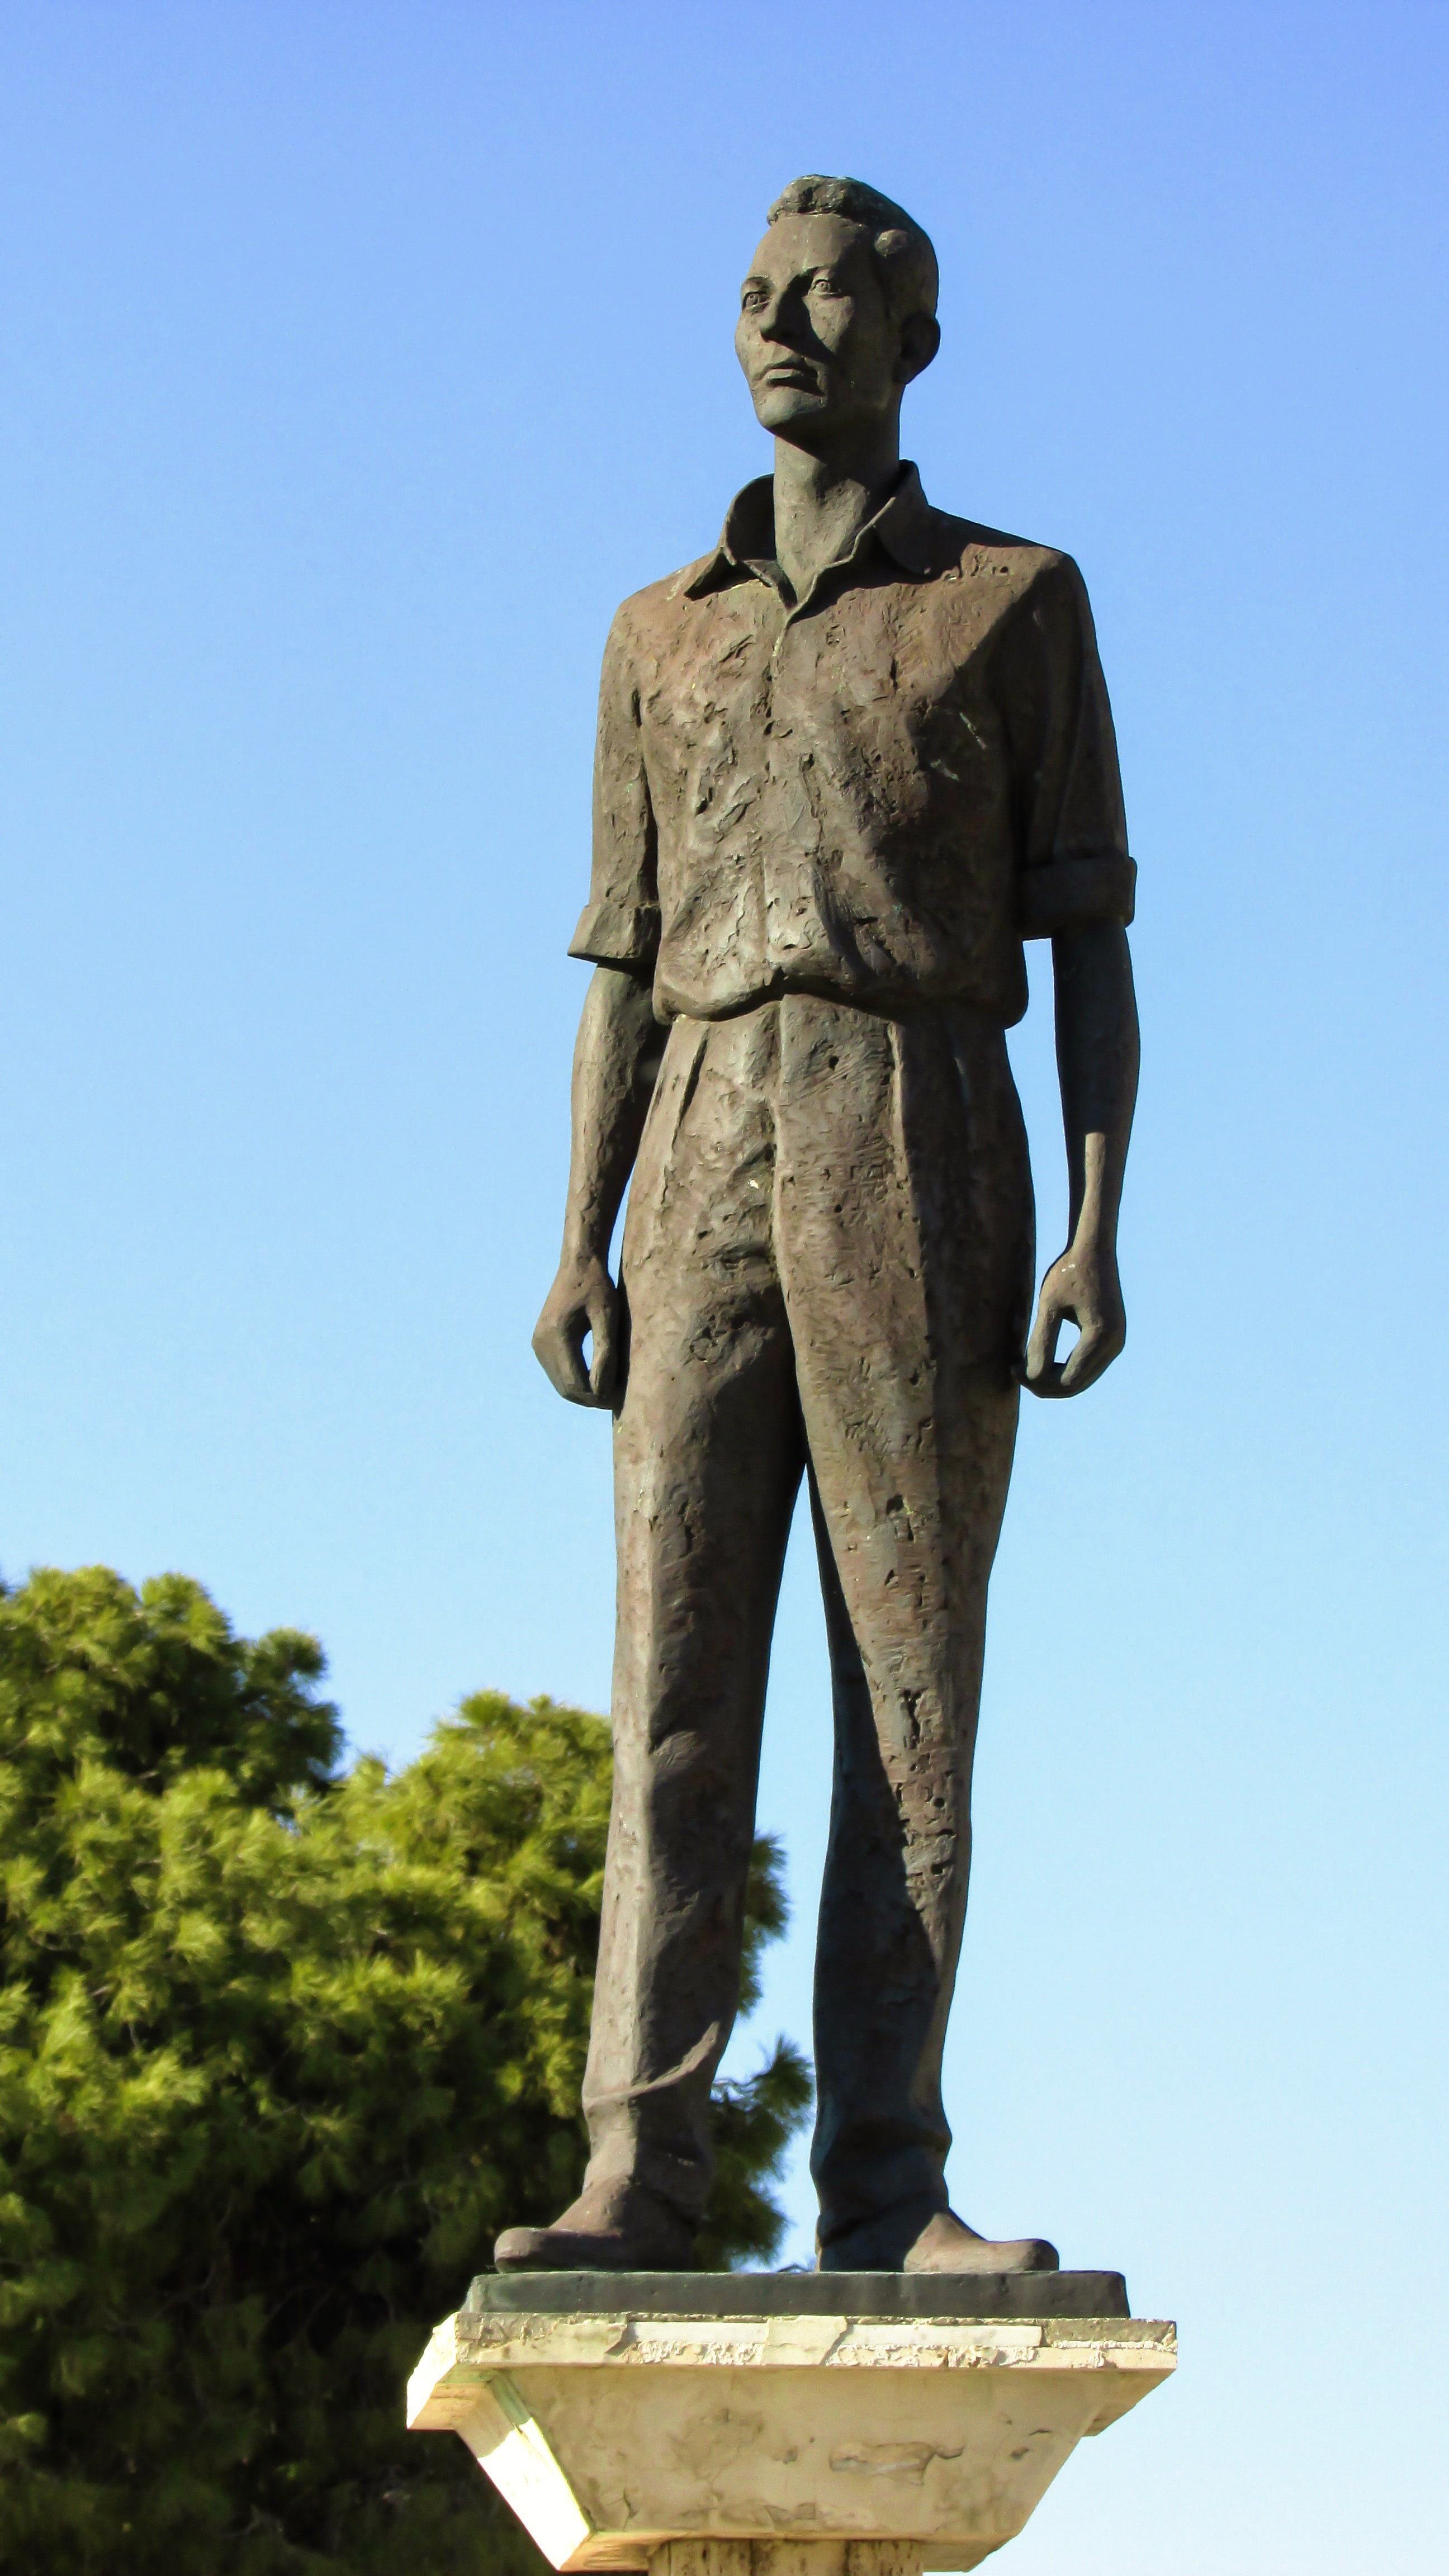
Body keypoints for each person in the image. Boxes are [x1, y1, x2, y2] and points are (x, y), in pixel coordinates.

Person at [495, 175, 1140, 2276]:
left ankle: (892, 2187)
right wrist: (578, 1234)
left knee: (906, 1688)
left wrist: (1098, 1226)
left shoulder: (1015, 601)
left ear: (912, 344)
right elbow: (618, 960)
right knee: (672, 1680)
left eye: (838, 300)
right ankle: (639, 2165)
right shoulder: (653, 630)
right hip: (698, 1136)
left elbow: (1097, 943)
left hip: (921, 1125)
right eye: (762, 296)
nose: (791, 326)